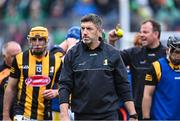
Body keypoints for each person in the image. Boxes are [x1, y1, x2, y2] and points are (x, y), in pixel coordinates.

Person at [59, 13, 137, 120]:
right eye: (82, 29)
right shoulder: (72, 54)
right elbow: (64, 86)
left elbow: (123, 85)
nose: (85, 32)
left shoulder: (113, 53)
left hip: (109, 116)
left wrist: (133, 114)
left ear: (99, 31)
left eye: (89, 29)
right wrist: (64, 114)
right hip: (82, 116)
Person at [108, 19, 167, 119]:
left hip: (162, 111)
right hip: (138, 111)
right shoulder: (133, 53)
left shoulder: (167, 55)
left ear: (156, 34)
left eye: (145, 32)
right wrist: (111, 41)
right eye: (140, 32)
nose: (141, 35)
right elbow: (111, 61)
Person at [3, 26, 63, 121]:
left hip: (45, 114)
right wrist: (5, 116)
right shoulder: (20, 58)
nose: (37, 43)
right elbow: (10, 88)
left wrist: (56, 92)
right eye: (34, 39)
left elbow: (65, 87)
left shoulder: (57, 61)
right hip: (22, 114)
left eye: (41, 39)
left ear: (47, 41)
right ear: (29, 41)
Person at [142, 35, 180, 120]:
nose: (179, 55)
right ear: (168, 50)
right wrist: (146, 118)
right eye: (176, 52)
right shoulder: (157, 67)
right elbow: (147, 95)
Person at [50, 26, 81, 121]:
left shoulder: (81, 54)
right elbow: (60, 63)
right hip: (58, 107)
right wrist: (69, 44)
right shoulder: (56, 53)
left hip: (76, 106)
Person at [0, 41, 22, 120]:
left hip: (23, 115)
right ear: (4, 56)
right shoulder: (1, 73)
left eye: (19, 55)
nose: (17, 59)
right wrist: (5, 116)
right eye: (13, 56)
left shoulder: (27, 70)